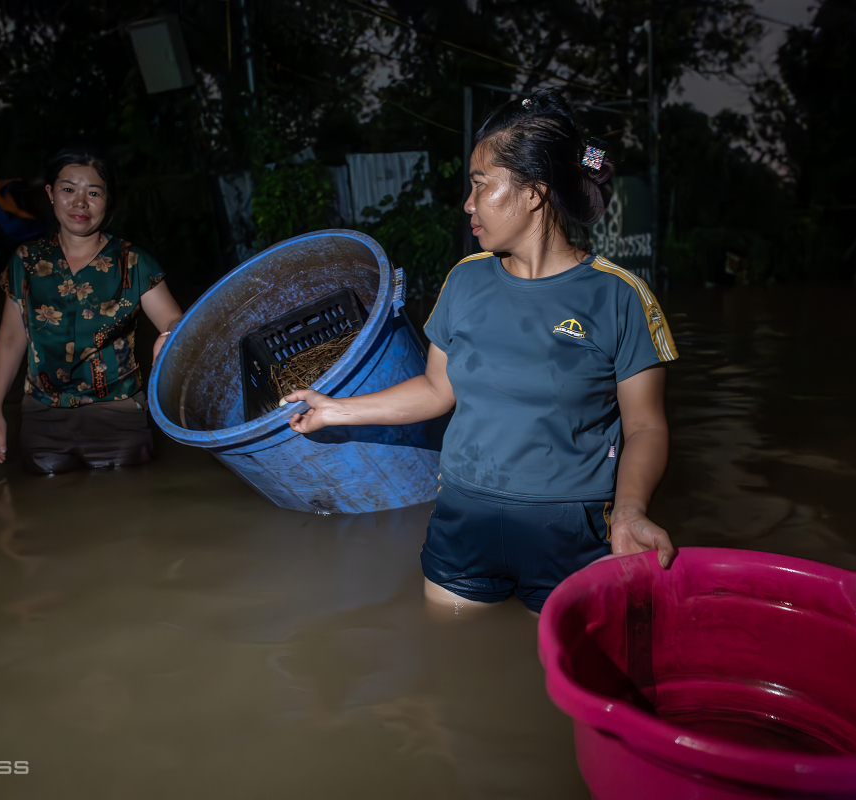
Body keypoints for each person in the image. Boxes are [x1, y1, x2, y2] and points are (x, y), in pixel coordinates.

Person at [285, 91, 679, 614]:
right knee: (453, 671)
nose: (467, 204)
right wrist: (335, 409)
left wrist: (629, 512)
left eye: (480, 185)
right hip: (463, 519)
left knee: (551, 683)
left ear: (534, 192)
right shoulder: (465, 280)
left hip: (568, 530)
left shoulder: (620, 296)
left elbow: (646, 428)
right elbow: (435, 388)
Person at [0, 146, 184, 474]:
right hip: (43, 416)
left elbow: (175, 324)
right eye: (68, 190)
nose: (79, 203)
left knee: (128, 509)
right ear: (50, 193)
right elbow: (10, 340)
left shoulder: (134, 263)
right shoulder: (26, 262)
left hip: (120, 415)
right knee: (47, 507)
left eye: (93, 193)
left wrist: (171, 337)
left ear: (108, 199)